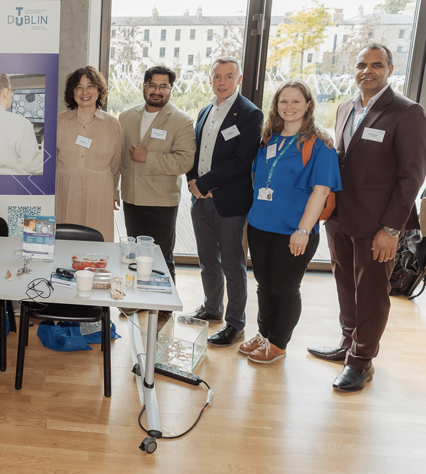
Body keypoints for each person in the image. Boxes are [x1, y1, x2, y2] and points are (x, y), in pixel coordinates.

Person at [307, 43, 426, 391]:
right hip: (341, 216)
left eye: (376, 65)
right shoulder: (346, 107)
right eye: (361, 65)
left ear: (391, 68)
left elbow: (412, 176)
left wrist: (391, 229)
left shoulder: (407, 112)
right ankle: (348, 343)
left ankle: (361, 362)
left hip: (378, 224)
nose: (367, 71)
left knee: (372, 292)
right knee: (346, 284)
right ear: (354, 69)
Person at [242, 79, 342, 364]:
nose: (289, 107)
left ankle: (278, 344)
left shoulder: (320, 145)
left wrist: (303, 230)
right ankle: (264, 334)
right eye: (283, 101)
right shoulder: (269, 138)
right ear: (276, 106)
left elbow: (321, 191)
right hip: (261, 226)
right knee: (264, 285)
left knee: (285, 289)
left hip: (294, 231)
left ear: (308, 105)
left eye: (296, 101)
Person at [182, 57, 264, 347]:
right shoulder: (206, 110)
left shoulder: (250, 114)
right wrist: (193, 181)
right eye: (217, 76)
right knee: (207, 259)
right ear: (210, 79)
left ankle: (235, 324)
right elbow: (195, 151)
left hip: (228, 201)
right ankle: (212, 307)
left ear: (238, 79)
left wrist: (204, 184)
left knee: (232, 262)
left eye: (229, 76)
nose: (222, 82)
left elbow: (242, 161)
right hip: (201, 198)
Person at [114, 65, 196, 280]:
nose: (157, 91)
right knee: (134, 256)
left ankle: (163, 310)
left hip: (162, 202)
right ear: (144, 86)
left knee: (161, 257)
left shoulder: (182, 120)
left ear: (171, 89)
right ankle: (138, 299)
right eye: (152, 85)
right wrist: (114, 188)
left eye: (163, 86)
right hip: (131, 198)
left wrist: (147, 157)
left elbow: (185, 161)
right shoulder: (125, 117)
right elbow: (118, 157)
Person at [55, 66, 121, 242]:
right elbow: (50, 159)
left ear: (99, 90)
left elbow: (115, 162)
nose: (85, 91)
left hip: (99, 191)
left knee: (98, 240)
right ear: (73, 92)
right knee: (64, 239)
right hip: (65, 190)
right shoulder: (58, 122)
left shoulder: (112, 124)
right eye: (79, 87)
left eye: (90, 86)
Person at [0, 74, 43, 175]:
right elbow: (34, 168)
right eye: (11, 91)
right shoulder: (21, 123)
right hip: (13, 186)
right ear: (5, 92)